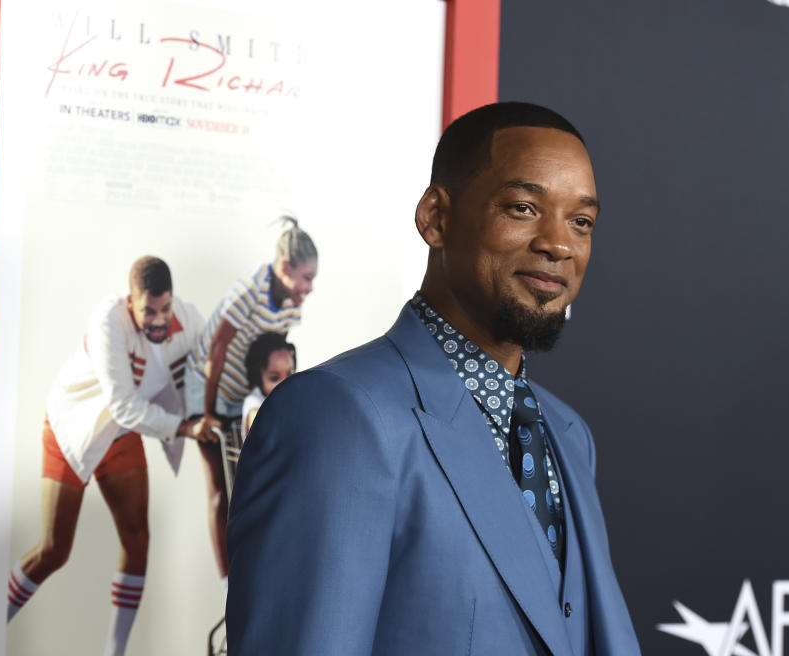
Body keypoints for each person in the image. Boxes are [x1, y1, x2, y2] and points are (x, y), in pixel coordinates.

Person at [226, 102, 641, 655]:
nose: (559, 244)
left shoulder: (569, 436)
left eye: (581, 222)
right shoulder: (335, 416)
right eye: (522, 207)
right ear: (435, 218)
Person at [7, 256, 219, 656]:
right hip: (74, 429)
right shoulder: (108, 320)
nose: (159, 320)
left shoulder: (188, 319)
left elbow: (206, 371)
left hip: (122, 434)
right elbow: (122, 405)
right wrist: (185, 427)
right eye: (149, 311)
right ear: (131, 302)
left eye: (165, 308)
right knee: (55, 549)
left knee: (138, 538)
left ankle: (114, 652)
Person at [184, 218, 317, 602]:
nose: (309, 287)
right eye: (306, 277)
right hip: (207, 386)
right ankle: (228, 582)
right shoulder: (250, 290)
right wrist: (207, 412)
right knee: (218, 487)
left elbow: (274, 357)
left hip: (243, 392)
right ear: (285, 267)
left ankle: (256, 571)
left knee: (247, 484)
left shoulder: (291, 307)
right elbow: (217, 349)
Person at [240, 333, 297, 438]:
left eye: (289, 374)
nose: (285, 383)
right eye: (274, 378)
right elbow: (264, 430)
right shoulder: (254, 402)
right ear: (258, 376)